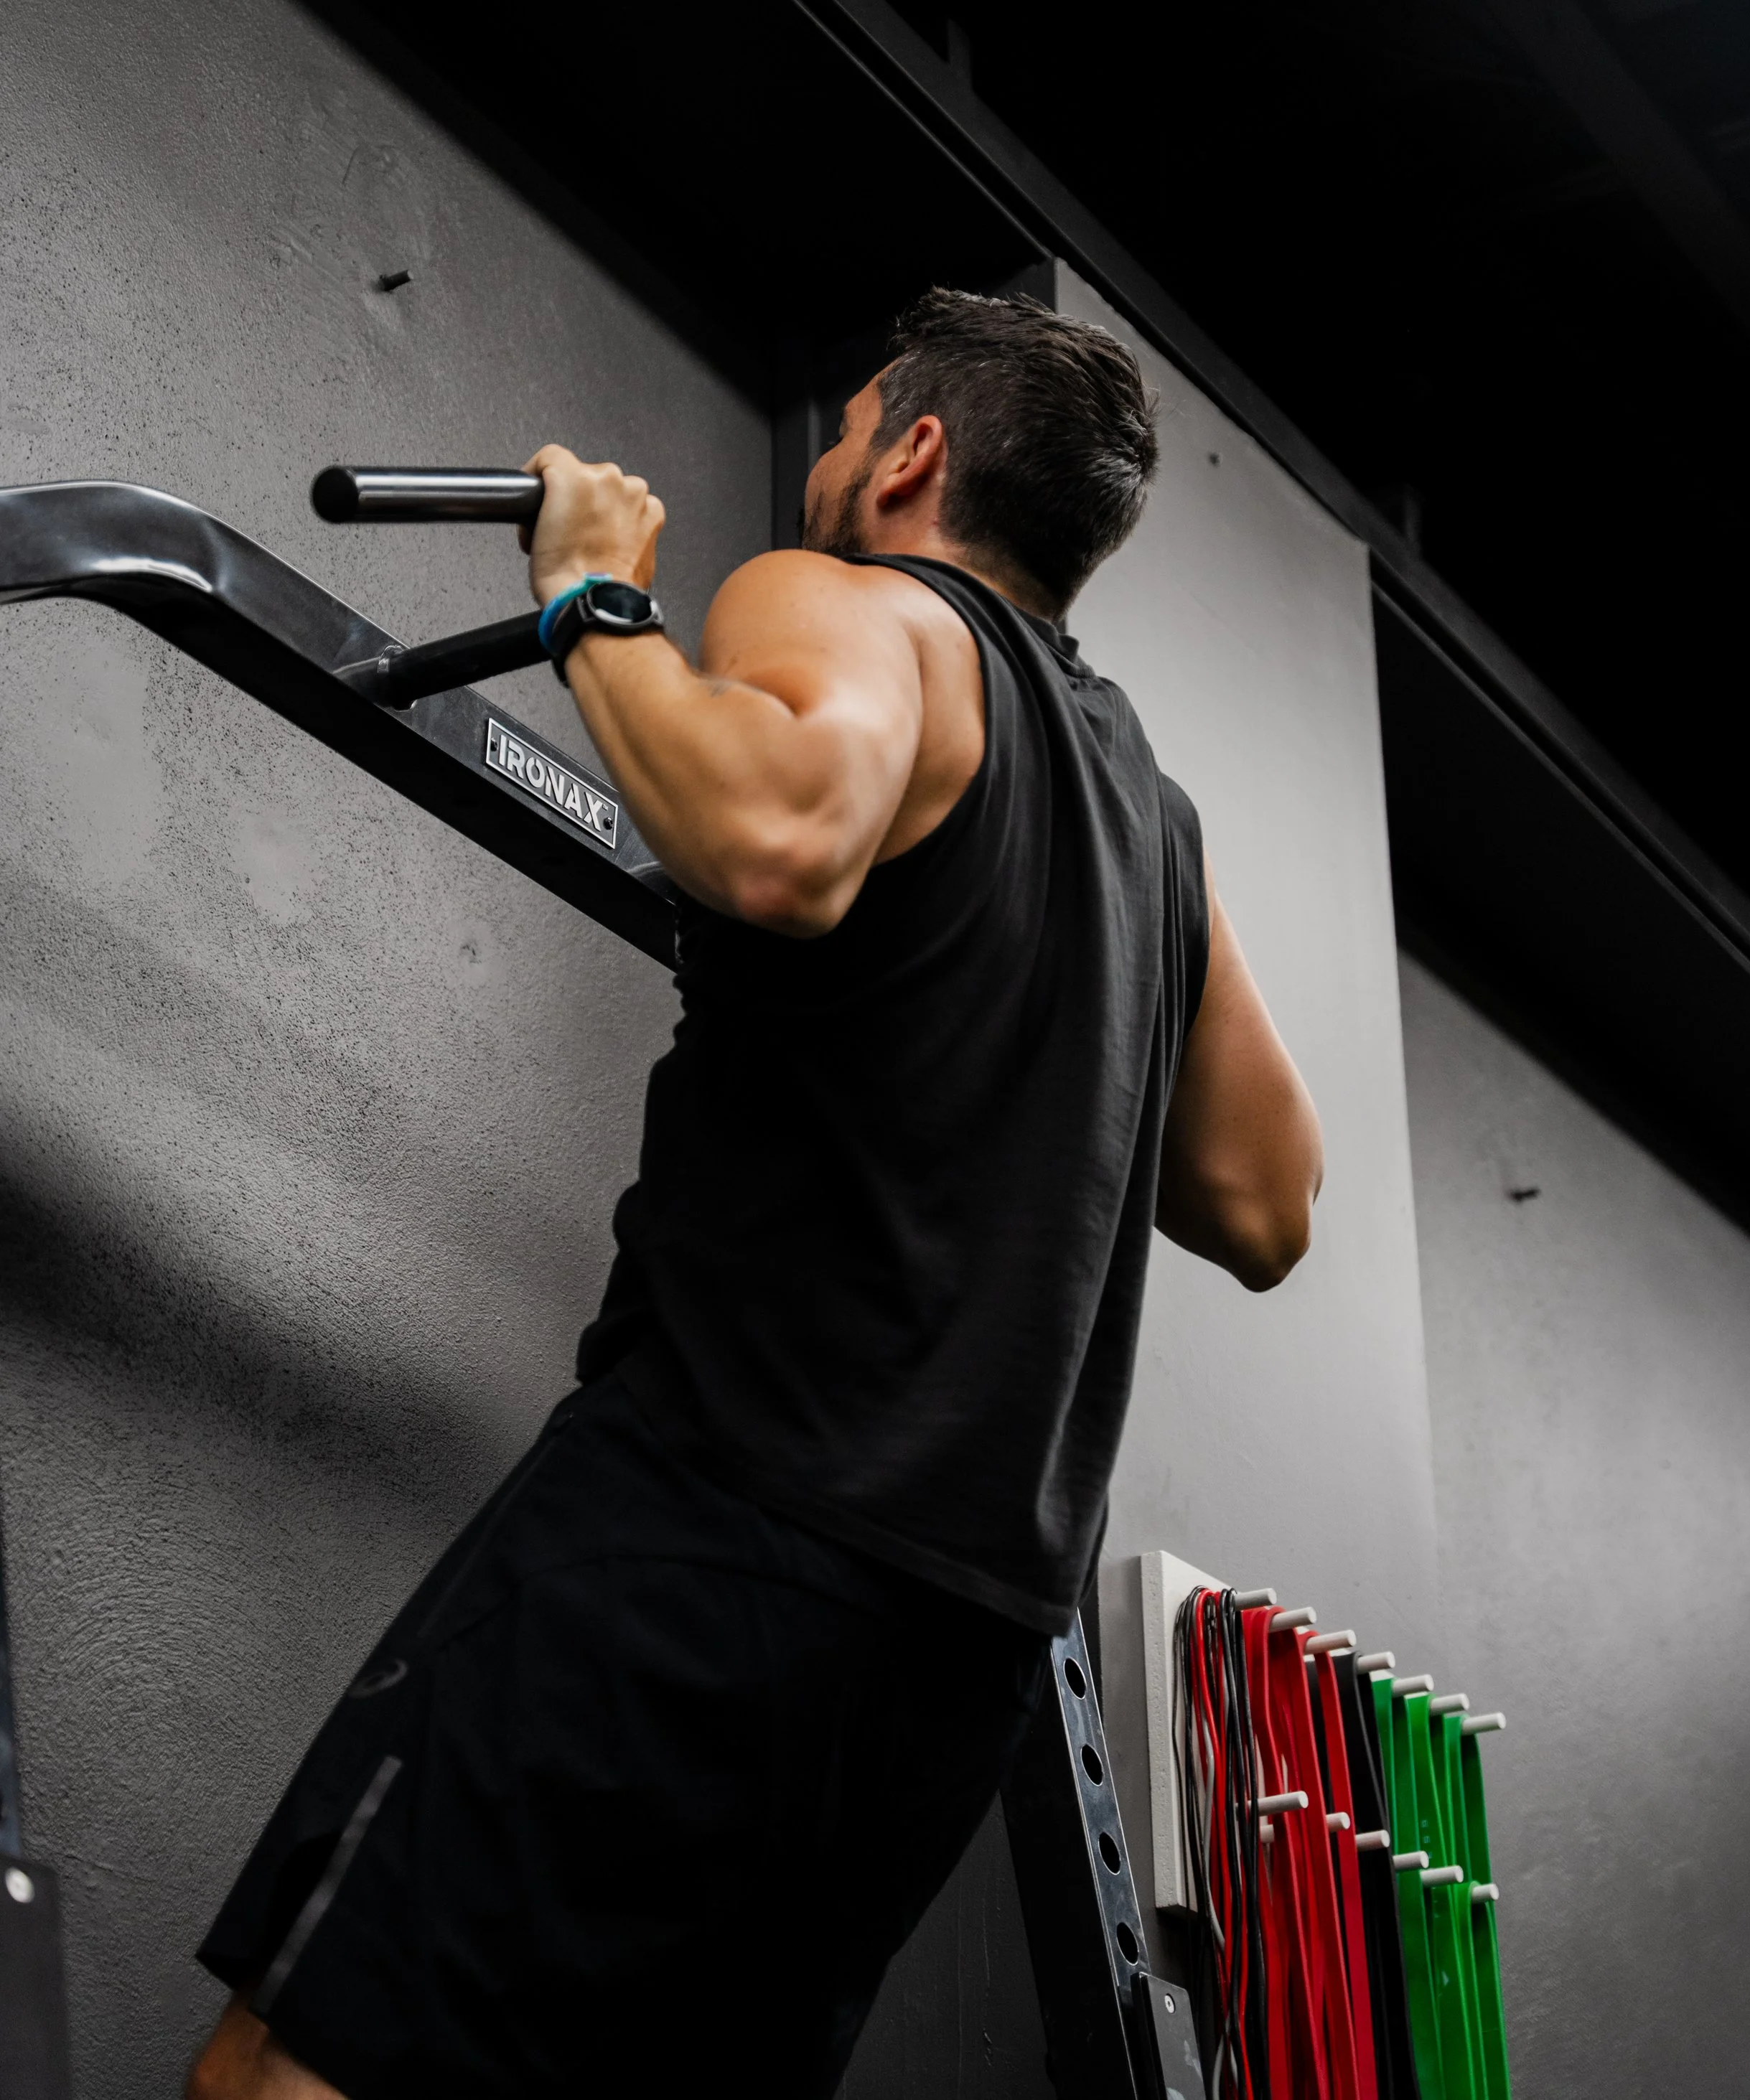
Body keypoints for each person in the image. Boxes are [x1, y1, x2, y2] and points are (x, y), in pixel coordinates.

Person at [189, 288, 1321, 2099]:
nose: (825, 463)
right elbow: (1267, 1202)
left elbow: (778, 841)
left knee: (296, 2075)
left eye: (850, 420)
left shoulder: (860, 604)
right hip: (943, 1664)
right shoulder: (1148, 815)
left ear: (913, 453)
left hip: (717, 1523)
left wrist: (590, 596)